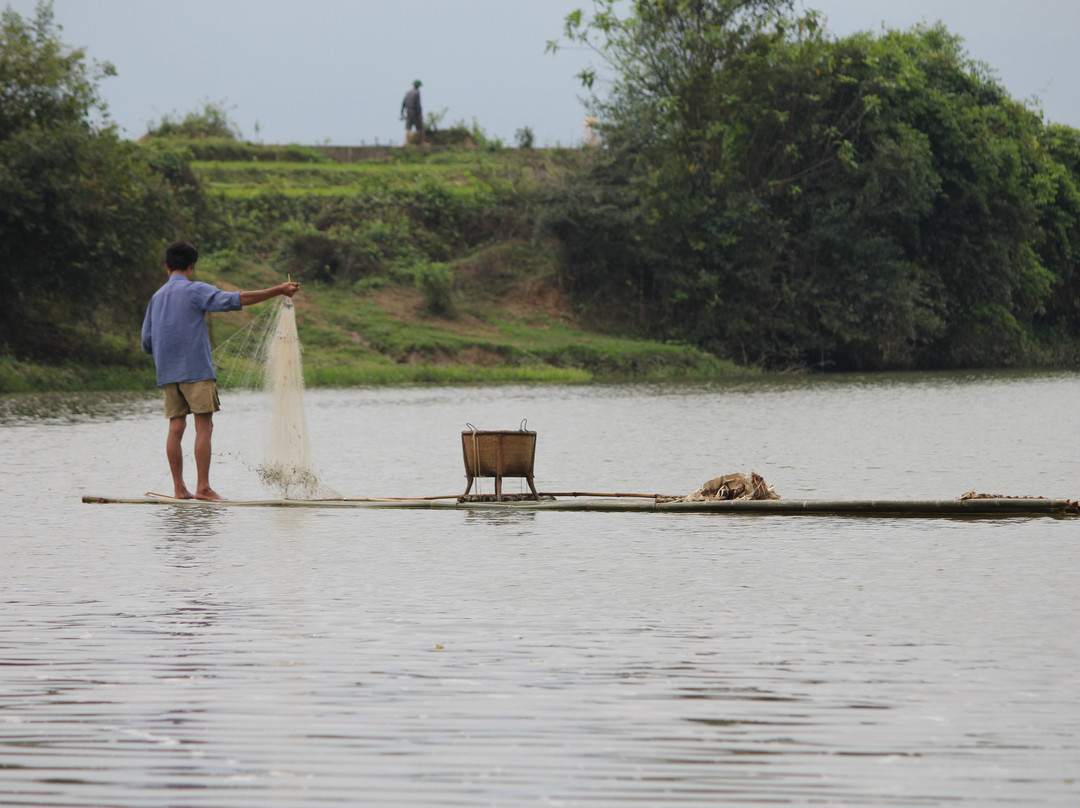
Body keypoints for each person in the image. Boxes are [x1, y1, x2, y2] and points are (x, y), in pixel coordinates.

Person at [141, 241, 300, 501]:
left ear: (167, 266)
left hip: (167, 374)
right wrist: (278, 290)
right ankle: (203, 487)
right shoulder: (194, 290)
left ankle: (179, 489)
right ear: (191, 267)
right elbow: (234, 300)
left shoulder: (156, 298)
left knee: (175, 427)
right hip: (196, 371)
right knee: (204, 426)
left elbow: (146, 343)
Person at [400, 79, 424, 146]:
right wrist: (420, 114)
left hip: (408, 111)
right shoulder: (417, 93)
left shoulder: (408, 92)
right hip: (415, 112)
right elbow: (418, 104)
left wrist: (402, 112)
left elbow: (403, 103)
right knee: (420, 128)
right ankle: (422, 143)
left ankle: (407, 143)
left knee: (408, 129)